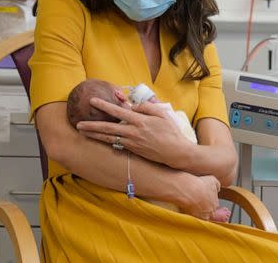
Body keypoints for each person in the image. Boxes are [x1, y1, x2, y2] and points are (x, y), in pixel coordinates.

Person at [30, 0, 278, 260]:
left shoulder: (195, 39)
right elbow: (60, 141)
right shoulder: (66, 6)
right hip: (94, 212)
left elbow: (225, 165)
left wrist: (169, 149)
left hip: (182, 215)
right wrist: (182, 186)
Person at [66, 78, 231, 222]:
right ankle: (210, 215)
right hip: (181, 180)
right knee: (178, 119)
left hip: (147, 202)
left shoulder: (103, 142)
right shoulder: (144, 114)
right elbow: (169, 120)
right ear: (119, 94)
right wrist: (154, 102)